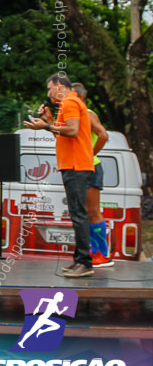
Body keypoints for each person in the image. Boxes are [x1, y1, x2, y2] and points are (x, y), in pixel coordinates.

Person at [25, 73, 95, 278]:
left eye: (50, 89)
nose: (48, 94)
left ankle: (85, 262)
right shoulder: (69, 104)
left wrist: (45, 125)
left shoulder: (70, 102)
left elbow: (72, 130)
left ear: (59, 85)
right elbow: (63, 133)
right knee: (76, 214)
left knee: (79, 214)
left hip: (76, 165)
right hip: (74, 165)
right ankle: (79, 260)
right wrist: (48, 121)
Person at [72, 82, 112, 267]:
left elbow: (103, 135)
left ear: (80, 97)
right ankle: (94, 251)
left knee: (94, 211)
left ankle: (103, 254)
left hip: (91, 167)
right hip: (81, 167)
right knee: (86, 212)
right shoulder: (76, 117)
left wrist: (91, 154)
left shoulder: (88, 115)